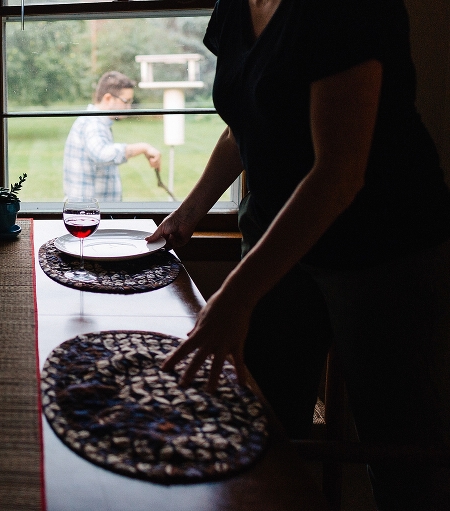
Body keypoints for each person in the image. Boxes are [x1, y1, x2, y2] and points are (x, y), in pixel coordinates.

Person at [147, 0, 450, 508]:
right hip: (275, 244)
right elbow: (243, 122)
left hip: (384, 253)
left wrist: (236, 295)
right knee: (261, 427)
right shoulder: (237, 8)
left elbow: (337, 174)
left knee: (399, 445)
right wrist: (188, 213)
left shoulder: (344, 10)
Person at [63, 71, 161, 202]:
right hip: (88, 214)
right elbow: (102, 154)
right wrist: (143, 147)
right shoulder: (92, 123)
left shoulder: (95, 122)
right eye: (126, 101)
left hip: (90, 212)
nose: (129, 107)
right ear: (108, 98)